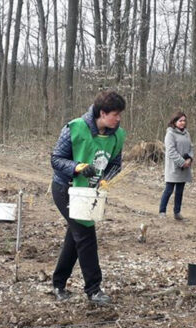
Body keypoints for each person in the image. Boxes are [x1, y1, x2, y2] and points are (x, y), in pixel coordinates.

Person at [50, 90, 126, 304]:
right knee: (85, 235)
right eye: (115, 114)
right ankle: (93, 289)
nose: (118, 118)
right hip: (67, 188)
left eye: (120, 114)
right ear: (102, 113)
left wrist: (107, 179)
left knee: (75, 237)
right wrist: (76, 167)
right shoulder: (74, 128)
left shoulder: (117, 135)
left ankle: (58, 283)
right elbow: (56, 159)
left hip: (92, 192)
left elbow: (114, 164)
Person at [159, 111, 193, 220]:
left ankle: (177, 212)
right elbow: (171, 151)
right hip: (173, 167)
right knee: (169, 190)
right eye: (180, 120)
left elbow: (191, 148)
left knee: (180, 191)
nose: (183, 123)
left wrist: (189, 159)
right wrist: (182, 162)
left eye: (184, 120)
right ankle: (162, 211)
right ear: (175, 122)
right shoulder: (170, 134)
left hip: (185, 168)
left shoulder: (187, 133)